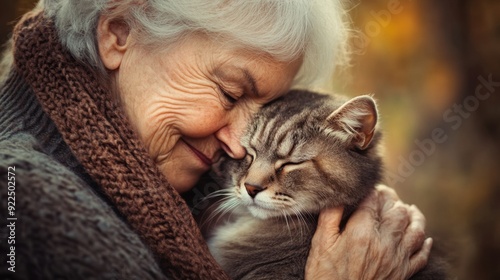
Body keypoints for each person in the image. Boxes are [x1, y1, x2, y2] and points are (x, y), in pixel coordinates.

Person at [0, 0, 432, 279]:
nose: (242, 144)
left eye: (264, 110)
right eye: (229, 92)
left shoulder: (165, 180)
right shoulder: (26, 202)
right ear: (118, 35)